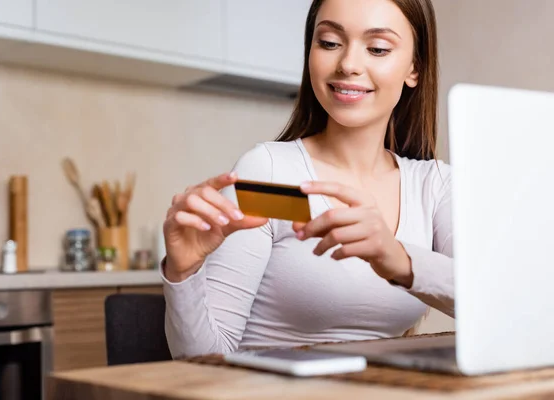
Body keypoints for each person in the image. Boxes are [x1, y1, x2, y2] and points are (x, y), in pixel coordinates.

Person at [161, 0, 453, 359]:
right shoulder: (271, 173)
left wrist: (400, 260)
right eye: (329, 42)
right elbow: (203, 363)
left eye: (377, 48)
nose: (348, 64)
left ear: (415, 69)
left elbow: (494, 304)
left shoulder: (434, 186)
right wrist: (184, 272)